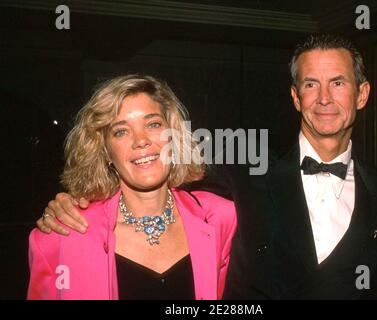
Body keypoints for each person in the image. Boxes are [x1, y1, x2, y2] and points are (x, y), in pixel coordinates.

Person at [36, 34, 377, 299]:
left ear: (362, 94)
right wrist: (74, 200)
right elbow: (148, 169)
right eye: (311, 84)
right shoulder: (242, 176)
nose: (324, 98)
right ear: (295, 96)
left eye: (338, 82)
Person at [27, 74, 237, 300]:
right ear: (105, 151)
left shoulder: (220, 219)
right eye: (121, 131)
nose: (141, 140)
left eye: (153, 124)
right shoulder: (59, 238)